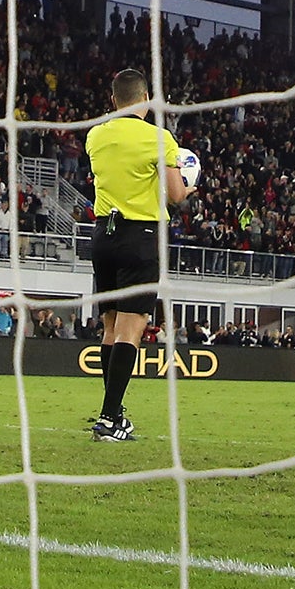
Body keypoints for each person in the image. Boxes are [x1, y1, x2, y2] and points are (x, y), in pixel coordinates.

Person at [84, 67, 195, 442]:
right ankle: (109, 418)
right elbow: (176, 195)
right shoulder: (159, 139)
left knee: (110, 326)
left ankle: (113, 413)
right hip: (140, 235)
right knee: (132, 328)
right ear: (146, 99)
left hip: (102, 234)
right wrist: (188, 184)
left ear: (113, 100)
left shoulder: (95, 136)